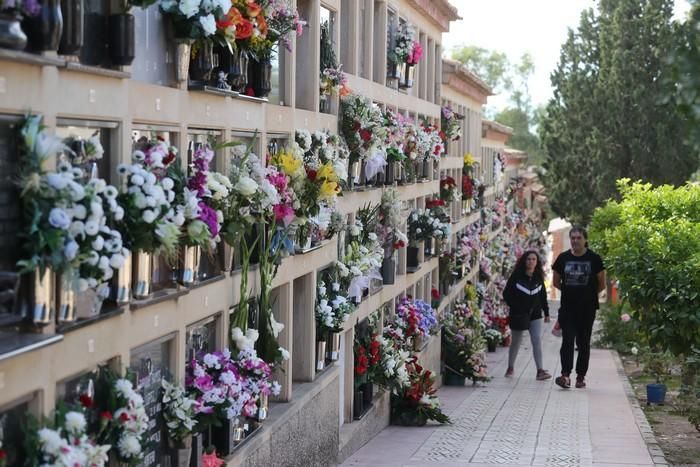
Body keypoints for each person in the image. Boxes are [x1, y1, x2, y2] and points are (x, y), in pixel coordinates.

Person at [552, 226, 606, 389]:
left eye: (578, 238)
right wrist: (570, 292)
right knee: (567, 341)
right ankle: (565, 375)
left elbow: (601, 284)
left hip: (587, 309)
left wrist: (587, 294)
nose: (575, 241)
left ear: (585, 240)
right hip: (568, 308)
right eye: (573, 238)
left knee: (583, 343)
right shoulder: (562, 258)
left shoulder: (594, 259)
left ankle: (580, 376)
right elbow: (556, 282)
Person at [502, 250, 551, 380]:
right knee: (516, 341)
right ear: (524, 261)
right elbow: (506, 294)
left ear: (537, 262)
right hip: (518, 314)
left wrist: (546, 312)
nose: (531, 262)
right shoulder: (517, 276)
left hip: (535, 314)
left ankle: (540, 370)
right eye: (528, 259)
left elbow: (543, 296)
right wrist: (516, 306)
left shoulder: (539, 277)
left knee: (536, 340)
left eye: (533, 259)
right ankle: (510, 367)